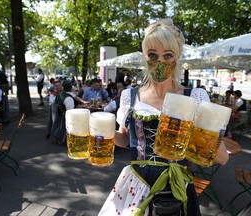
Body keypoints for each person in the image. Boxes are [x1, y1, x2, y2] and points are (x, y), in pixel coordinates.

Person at [98, 19, 229, 216]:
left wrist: (202, 133)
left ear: (177, 57)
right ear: (145, 57)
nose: (160, 62)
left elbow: (223, 158)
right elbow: (125, 139)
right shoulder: (130, 96)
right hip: (136, 184)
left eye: (167, 55)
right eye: (153, 55)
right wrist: (104, 132)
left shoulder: (194, 97)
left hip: (175, 186)